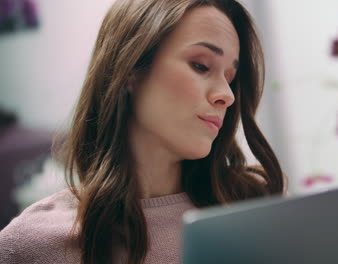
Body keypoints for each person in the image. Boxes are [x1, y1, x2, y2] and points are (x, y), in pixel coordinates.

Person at [0, 0, 287, 263]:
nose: (227, 95)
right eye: (201, 66)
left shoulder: (254, 205)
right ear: (130, 70)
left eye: (230, 78)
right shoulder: (31, 246)